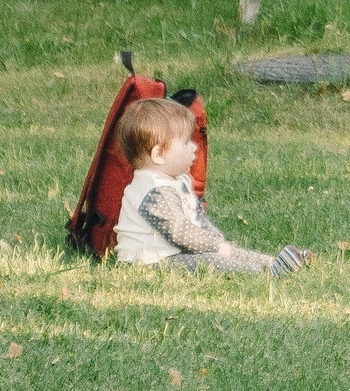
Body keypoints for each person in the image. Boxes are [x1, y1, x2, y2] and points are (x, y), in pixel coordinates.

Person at [112, 99, 314, 274]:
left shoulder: (175, 179)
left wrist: (215, 240)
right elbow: (180, 233)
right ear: (159, 155)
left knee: (225, 251)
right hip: (151, 262)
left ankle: (271, 262)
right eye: (185, 143)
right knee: (208, 260)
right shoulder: (154, 190)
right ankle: (267, 273)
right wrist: (214, 245)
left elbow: (196, 217)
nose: (194, 147)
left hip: (177, 251)